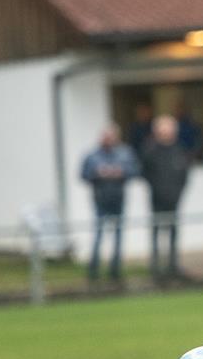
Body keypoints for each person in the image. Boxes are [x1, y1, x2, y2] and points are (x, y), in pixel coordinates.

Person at [81, 123, 140, 282]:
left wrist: (120, 172)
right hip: (100, 200)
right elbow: (84, 174)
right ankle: (93, 270)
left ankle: (115, 270)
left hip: (118, 199)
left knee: (118, 235)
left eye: (111, 136)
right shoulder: (92, 156)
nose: (108, 139)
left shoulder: (125, 153)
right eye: (105, 136)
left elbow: (134, 171)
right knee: (99, 234)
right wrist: (98, 173)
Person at [141, 115, 192, 281]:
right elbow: (145, 173)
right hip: (157, 198)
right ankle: (156, 267)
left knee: (173, 232)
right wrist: (157, 189)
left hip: (174, 198)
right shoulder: (150, 150)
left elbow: (184, 174)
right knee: (156, 231)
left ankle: (173, 265)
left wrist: (178, 191)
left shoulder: (179, 149)